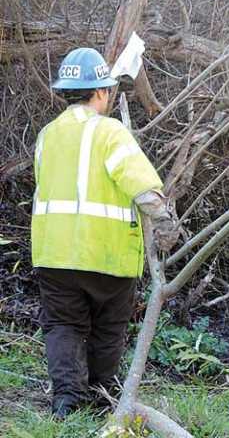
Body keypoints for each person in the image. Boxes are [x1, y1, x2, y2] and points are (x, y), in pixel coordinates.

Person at [31, 47, 179, 418]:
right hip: (108, 256)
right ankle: (101, 395)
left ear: (66, 91)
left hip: (53, 254)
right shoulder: (111, 132)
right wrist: (166, 223)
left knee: (63, 325)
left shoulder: (47, 136)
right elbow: (143, 188)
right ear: (101, 92)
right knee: (107, 328)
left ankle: (65, 400)